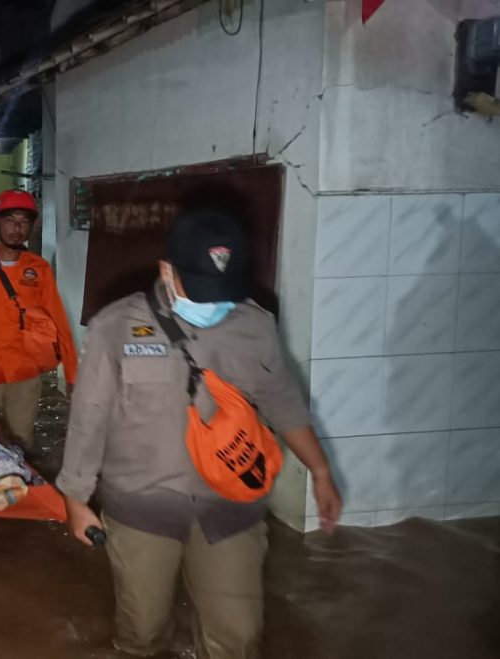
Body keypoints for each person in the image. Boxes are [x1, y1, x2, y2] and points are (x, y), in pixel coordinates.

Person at [58, 208, 343, 659]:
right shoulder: (116, 326)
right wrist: (75, 500)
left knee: (238, 638)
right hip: (142, 507)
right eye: (203, 290)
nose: (216, 305)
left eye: (225, 292)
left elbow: (282, 399)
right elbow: (88, 416)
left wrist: (321, 471)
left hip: (229, 505)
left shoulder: (255, 325)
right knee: (143, 635)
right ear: (167, 271)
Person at [0, 189, 78, 450]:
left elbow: (58, 321)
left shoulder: (39, 268)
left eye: (24, 221)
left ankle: (21, 487)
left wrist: (72, 373)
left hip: (25, 375)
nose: (17, 228)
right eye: (10, 220)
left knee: (21, 443)